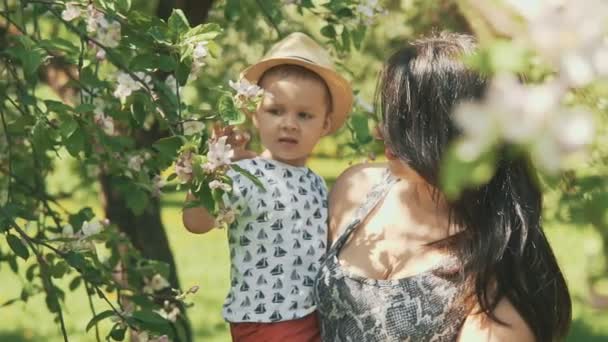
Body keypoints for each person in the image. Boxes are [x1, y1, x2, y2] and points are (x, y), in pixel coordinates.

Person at [313, 32, 572, 342]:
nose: (381, 131)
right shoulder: (357, 188)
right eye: (390, 116)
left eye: (407, 122)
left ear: (461, 133)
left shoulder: (495, 275)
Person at [182, 32, 353, 342]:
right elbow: (195, 223)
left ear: (325, 124)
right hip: (266, 320)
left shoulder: (315, 182)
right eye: (276, 111)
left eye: (304, 115)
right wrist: (209, 174)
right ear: (254, 113)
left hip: (309, 314)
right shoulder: (245, 176)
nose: (289, 123)